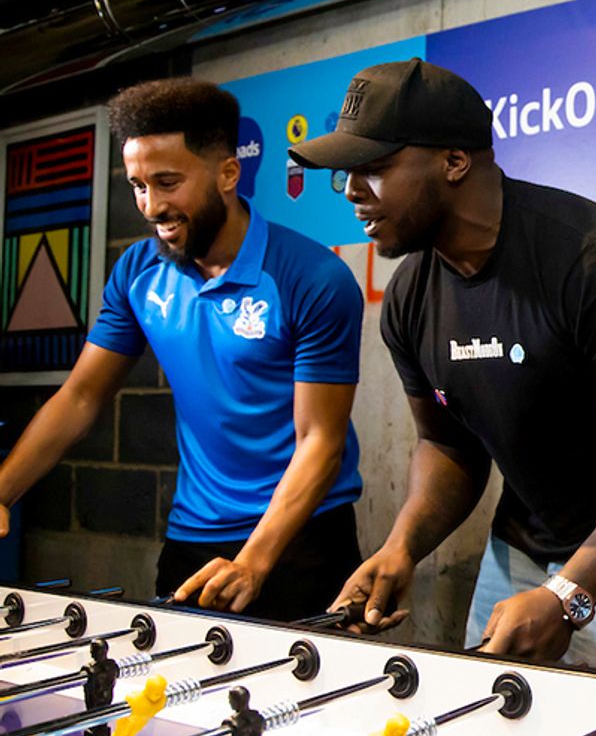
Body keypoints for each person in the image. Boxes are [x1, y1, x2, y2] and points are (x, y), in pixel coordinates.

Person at [292, 59, 596, 678]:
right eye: (346, 174)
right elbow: (446, 444)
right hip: (520, 552)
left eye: (375, 168)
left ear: (454, 161)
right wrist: (402, 547)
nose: (352, 191)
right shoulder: (412, 296)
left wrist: (569, 593)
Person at [0, 78, 364, 621]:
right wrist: (3, 492)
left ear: (227, 173)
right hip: (192, 536)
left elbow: (321, 441)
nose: (151, 206)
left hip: (302, 538)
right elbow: (79, 397)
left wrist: (254, 562)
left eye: (167, 182)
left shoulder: (312, 278)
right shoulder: (137, 272)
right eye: (138, 185)